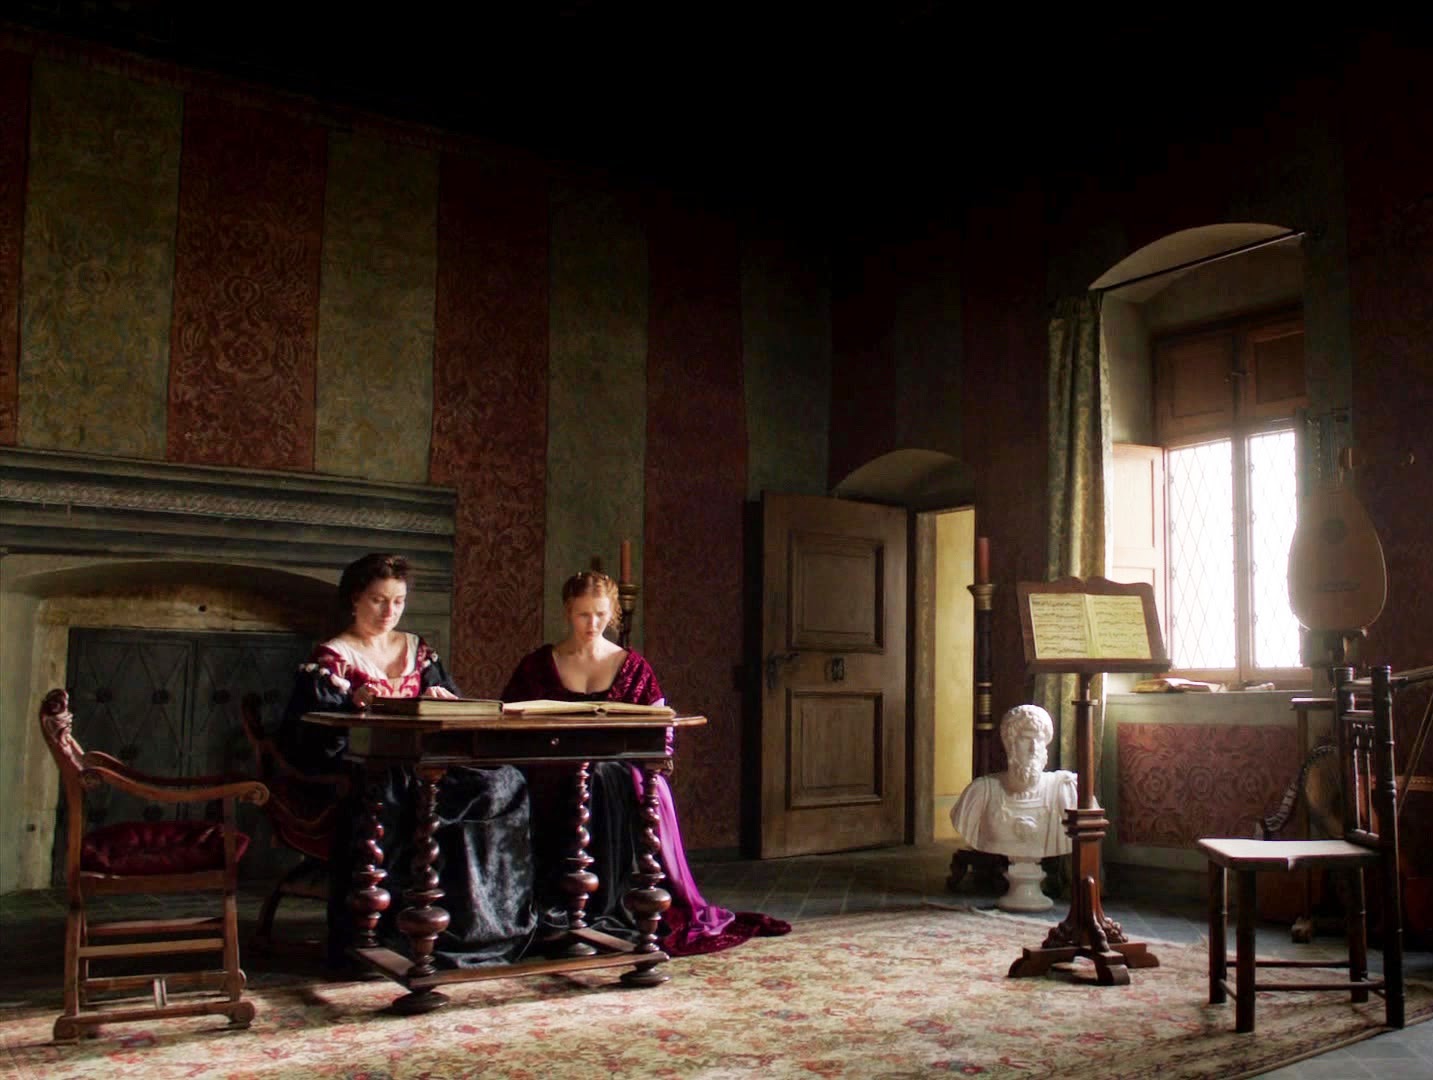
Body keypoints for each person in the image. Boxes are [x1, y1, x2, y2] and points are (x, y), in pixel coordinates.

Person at [501, 569, 790, 956]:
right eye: (583, 614)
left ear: (613, 613)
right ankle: (552, 908)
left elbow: (660, 728)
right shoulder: (537, 666)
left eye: (600, 614)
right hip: (550, 773)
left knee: (602, 778)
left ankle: (603, 907)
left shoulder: (632, 666)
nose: (592, 623)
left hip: (615, 775)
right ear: (567, 611)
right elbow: (509, 721)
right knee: (534, 786)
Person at [280, 553, 538, 968]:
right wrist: (351, 704)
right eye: (378, 600)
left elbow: (452, 714)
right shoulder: (331, 659)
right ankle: (390, 935)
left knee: (502, 781)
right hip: (369, 769)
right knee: (394, 788)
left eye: (398, 601)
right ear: (354, 599)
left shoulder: (419, 651)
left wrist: (443, 700)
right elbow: (309, 739)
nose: (389, 611)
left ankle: (478, 924)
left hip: (429, 762)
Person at [949, 703, 1080, 860]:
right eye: (1026, 738)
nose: (1033, 748)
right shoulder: (981, 793)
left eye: (1039, 739)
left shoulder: (1065, 789)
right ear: (1009, 744)